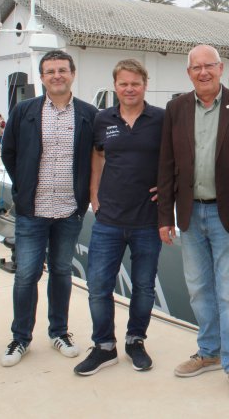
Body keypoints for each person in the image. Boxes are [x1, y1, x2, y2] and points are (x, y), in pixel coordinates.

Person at [157, 44, 229, 401]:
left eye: (209, 66)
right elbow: (167, 164)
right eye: (196, 68)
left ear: (220, 69)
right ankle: (209, 351)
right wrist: (165, 216)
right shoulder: (176, 108)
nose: (203, 72)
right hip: (190, 213)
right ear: (188, 73)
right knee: (199, 289)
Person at [0, 49, 98, 367]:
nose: (57, 75)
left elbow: (96, 158)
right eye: (50, 71)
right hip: (32, 211)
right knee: (26, 275)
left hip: (69, 210)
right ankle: (20, 338)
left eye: (62, 70)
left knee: (60, 272)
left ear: (72, 74)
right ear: (42, 78)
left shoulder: (88, 113)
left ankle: (59, 332)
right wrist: (24, 185)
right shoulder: (25, 111)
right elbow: (10, 153)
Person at [74, 59, 165, 376]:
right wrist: (94, 194)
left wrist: (167, 190)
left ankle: (135, 341)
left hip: (147, 221)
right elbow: (97, 155)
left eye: (135, 83)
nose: (129, 89)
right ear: (115, 86)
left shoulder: (161, 119)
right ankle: (104, 347)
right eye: (124, 83)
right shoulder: (102, 119)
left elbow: (175, 158)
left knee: (143, 288)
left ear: (145, 84)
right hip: (108, 220)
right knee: (98, 285)